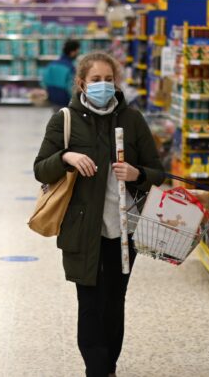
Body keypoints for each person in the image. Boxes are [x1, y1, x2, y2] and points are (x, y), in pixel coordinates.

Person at [33, 52, 165, 377]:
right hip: (82, 230)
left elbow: (157, 172)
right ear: (81, 83)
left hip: (124, 231)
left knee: (114, 304)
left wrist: (137, 174)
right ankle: (97, 369)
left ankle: (109, 367)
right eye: (96, 80)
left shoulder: (132, 120)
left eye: (109, 79)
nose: (103, 85)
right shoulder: (64, 120)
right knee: (90, 304)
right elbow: (40, 169)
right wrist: (66, 157)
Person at [42, 39, 80, 111]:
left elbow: (43, 82)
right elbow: (71, 88)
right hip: (65, 100)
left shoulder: (52, 64)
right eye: (77, 51)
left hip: (53, 99)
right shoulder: (70, 67)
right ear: (72, 52)